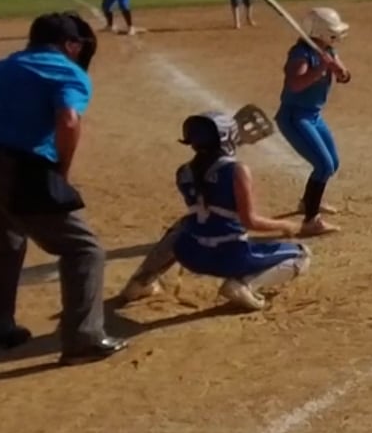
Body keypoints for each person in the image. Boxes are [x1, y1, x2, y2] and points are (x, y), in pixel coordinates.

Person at [0, 11, 127, 362]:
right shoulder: (67, 71)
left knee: (6, 243)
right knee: (84, 249)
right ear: (71, 45)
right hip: (23, 169)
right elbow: (68, 120)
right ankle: (83, 339)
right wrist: (62, 172)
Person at [119, 114, 311, 312]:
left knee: (183, 226)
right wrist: (287, 225)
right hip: (230, 259)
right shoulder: (237, 170)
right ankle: (244, 285)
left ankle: (140, 282)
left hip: (190, 254)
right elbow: (250, 221)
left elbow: (209, 187)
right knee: (302, 255)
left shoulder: (183, 172)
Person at [277, 8, 352, 236]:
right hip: (295, 117)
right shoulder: (300, 54)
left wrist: (340, 72)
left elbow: (344, 76)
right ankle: (311, 221)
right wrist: (320, 68)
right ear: (320, 32)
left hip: (313, 116)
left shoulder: (327, 50)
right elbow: (295, 84)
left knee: (332, 163)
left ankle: (308, 202)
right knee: (323, 165)